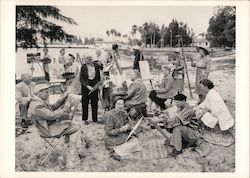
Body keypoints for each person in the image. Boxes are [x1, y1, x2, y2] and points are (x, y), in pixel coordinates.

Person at [28, 84, 83, 162]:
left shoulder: (37, 101)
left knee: (70, 124)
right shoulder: (37, 105)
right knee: (76, 128)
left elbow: (52, 107)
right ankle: (74, 151)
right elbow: (52, 115)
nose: (48, 94)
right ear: (38, 93)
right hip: (47, 130)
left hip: (46, 126)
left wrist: (62, 98)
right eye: (46, 92)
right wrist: (64, 108)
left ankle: (68, 147)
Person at [193, 79, 235, 146]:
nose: (201, 89)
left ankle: (207, 132)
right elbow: (205, 103)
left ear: (206, 87)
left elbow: (215, 112)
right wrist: (195, 108)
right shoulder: (211, 93)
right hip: (219, 114)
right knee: (200, 111)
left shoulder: (212, 96)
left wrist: (206, 111)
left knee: (202, 115)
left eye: (202, 87)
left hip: (220, 116)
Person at [80, 55, 103, 125]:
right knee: (85, 103)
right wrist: (87, 86)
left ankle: (95, 119)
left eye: (86, 60)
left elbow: (98, 77)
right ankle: (85, 119)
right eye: (85, 60)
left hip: (94, 86)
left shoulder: (96, 66)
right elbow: (81, 79)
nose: (85, 61)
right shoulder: (83, 66)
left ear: (90, 60)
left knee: (94, 103)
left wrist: (97, 85)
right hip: (85, 86)